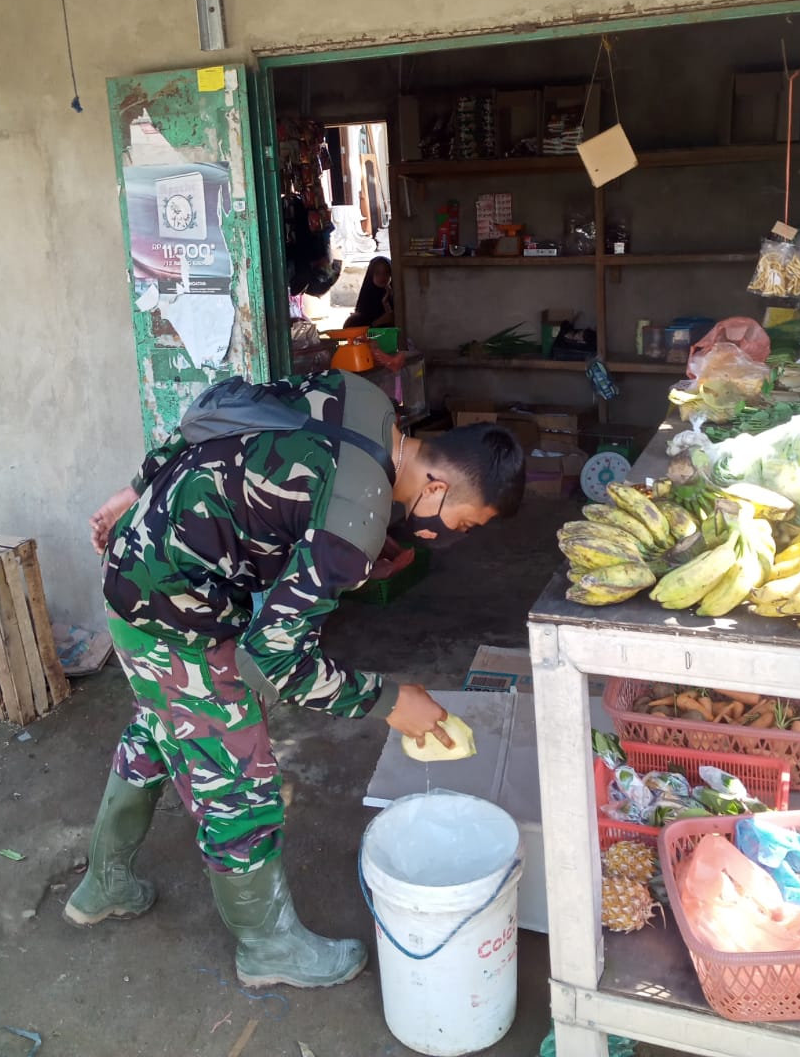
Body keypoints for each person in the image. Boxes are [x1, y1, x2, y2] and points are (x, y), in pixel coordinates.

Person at [66, 369, 524, 994]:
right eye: (464, 524)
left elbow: (221, 406)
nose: (453, 537)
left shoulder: (361, 398)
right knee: (238, 779)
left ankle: (105, 883)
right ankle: (268, 946)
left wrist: (137, 488)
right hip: (170, 612)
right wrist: (391, 701)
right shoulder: (355, 519)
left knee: (165, 723)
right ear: (436, 486)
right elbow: (278, 659)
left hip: (145, 564)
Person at [344, 255, 393, 329]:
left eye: (386, 273)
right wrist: (377, 322)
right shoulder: (367, 299)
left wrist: (387, 305)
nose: (382, 277)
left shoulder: (396, 295)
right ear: (371, 275)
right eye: (377, 273)